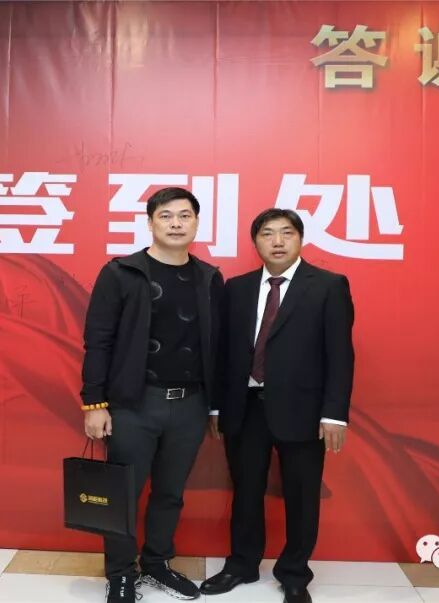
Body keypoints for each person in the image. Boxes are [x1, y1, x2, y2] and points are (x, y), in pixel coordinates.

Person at [202, 208, 353, 603]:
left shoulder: (328, 286)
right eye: (268, 234)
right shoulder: (237, 288)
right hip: (245, 407)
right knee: (246, 490)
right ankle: (242, 564)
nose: (278, 241)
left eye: (287, 233)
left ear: (301, 239)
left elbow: (340, 355)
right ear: (256, 242)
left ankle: (294, 573)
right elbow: (223, 354)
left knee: (302, 495)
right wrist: (217, 407)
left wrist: (334, 414)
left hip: (304, 411)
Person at [80, 187, 223, 603]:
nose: (176, 223)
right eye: (166, 216)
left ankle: (158, 563)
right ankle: (121, 574)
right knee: (122, 494)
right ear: (150, 223)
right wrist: (95, 403)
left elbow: (219, 346)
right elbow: (98, 341)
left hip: (190, 405)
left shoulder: (209, 278)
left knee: (170, 493)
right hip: (134, 406)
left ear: (196, 223)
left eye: (184, 215)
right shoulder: (121, 273)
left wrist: (214, 406)